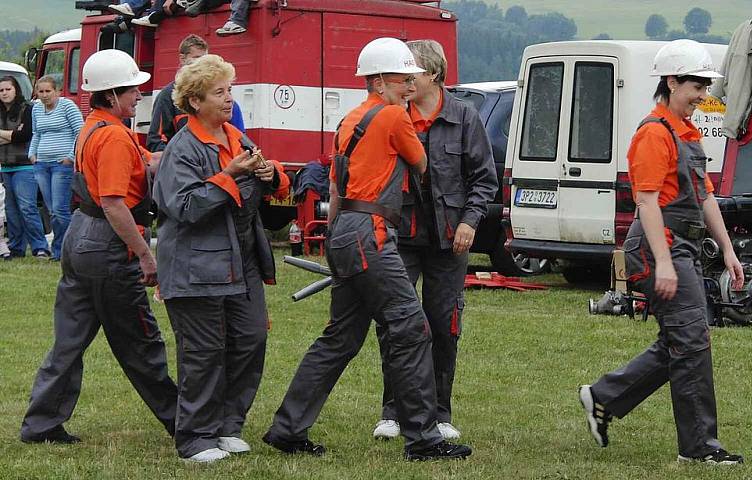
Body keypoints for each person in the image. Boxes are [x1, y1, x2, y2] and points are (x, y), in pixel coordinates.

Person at [263, 37, 472, 462]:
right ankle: (424, 438)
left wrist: (334, 239)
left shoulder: (348, 121)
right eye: (402, 76)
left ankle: (287, 429)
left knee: (339, 337)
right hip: (370, 232)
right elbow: (422, 164)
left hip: (343, 230)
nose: (409, 82)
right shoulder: (395, 116)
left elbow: (337, 187)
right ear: (379, 81)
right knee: (411, 327)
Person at [578, 39, 745, 465]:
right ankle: (700, 449)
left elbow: (706, 197)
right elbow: (647, 202)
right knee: (692, 340)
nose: (703, 95)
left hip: (680, 245)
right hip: (659, 247)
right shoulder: (654, 134)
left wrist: (728, 250)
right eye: (696, 86)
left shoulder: (687, 133)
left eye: (706, 86)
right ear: (672, 82)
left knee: (680, 339)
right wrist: (665, 263)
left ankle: (603, 396)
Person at [20, 50, 177, 444]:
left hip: (80, 238)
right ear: (110, 95)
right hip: (106, 245)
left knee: (69, 340)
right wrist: (144, 253)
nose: (139, 95)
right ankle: (184, 423)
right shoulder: (113, 138)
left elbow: (150, 161)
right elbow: (113, 203)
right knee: (141, 342)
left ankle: (41, 423)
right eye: (132, 90)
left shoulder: (96, 126)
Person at [153, 54, 281, 463]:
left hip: (240, 259)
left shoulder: (236, 139)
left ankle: (227, 425)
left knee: (250, 339)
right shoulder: (182, 148)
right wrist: (232, 176)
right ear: (194, 101)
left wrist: (269, 176)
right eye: (219, 92)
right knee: (203, 351)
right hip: (195, 264)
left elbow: (260, 197)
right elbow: (185, 206)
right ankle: (194, 438)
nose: (229, 99)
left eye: (231, 89)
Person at [372, 40, 497, 441]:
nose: (405, 80)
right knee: (397, 323)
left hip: (450, 239)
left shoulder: (464, 117)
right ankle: (392, 411)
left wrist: (470, 222)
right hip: (400, 235)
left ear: (434, 75)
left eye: (412, 72)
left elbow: (484, 179)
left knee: (444, 324)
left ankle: (441, 412)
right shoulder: (390, 115)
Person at [146, 34, 247, 152]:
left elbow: (241, 143)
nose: (202, 63)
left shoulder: (228, 104)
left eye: (205, 58)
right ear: (182, 58)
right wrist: (176, 161)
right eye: (197, 58)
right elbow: (156, 141)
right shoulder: (167, 96)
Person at [29, 76, 84, 262]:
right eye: (41, 92)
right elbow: (36, 133)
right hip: (41, 164)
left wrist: (71, 157)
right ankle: (59, 250)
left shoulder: (67, 106)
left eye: (48, 91)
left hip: (62, 165)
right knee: (52, 210)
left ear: (57, 91)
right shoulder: (36, 108)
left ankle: (71, 248)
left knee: (60, 210)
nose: (44, 95)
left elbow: (80, 131)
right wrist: (32, 154)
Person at [0, 75, 49, 259]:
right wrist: (12, 134)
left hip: (25, 166)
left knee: (27, 207)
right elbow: (16, 135)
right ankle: (16, 247)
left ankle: (40, 247)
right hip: (5, 166)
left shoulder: (27, 109)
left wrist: (7, 135)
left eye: (8, 89)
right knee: (11, 210)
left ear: (16, 90)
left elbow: (25, 135)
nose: (4, 93)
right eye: (1, 90)